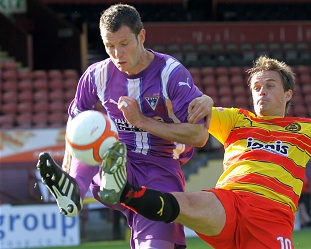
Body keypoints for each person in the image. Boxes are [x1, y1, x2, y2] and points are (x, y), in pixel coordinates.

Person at [97, 56, 311, 248]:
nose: (261, 92)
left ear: (288, 93)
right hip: (229, 202)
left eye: (270, 86)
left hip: (272, 216)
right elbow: (192, 108)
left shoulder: (307, 129)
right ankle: (124, 191)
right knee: (185, 202)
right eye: (256, 87)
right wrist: (203, 101)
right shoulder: (236, 119)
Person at [36, 4, 213, 249]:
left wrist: (140, 121)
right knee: (91, 127)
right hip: (119, 161)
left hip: (160, 170)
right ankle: (77, 189)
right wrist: (68, 173)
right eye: (110, 46)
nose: (117, 54)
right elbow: (74, 126)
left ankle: (116, 186)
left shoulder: (170, 73)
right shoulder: (96, 75)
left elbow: (199, 136)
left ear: (141, 36)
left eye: (124, 44)